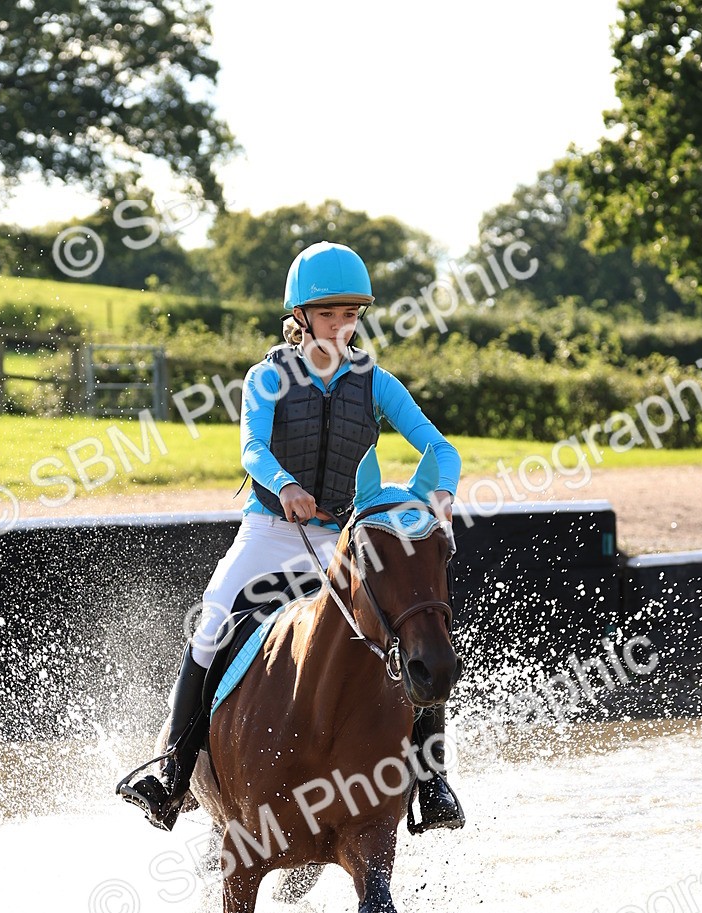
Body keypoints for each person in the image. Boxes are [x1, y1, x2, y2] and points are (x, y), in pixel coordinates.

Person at [119, 241, 466, 834]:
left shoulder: (375, 382)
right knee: (212, 623)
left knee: (407, 628)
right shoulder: (268, 376)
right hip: (271, 530)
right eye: (330, 315)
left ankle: (428, 782)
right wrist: (284, 486)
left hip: (342, 539)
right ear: (300, 316)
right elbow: (252, 446)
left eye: (352, 316)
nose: (342, 328)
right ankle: (171, 774)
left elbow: (440, 447)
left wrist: (442, 494)